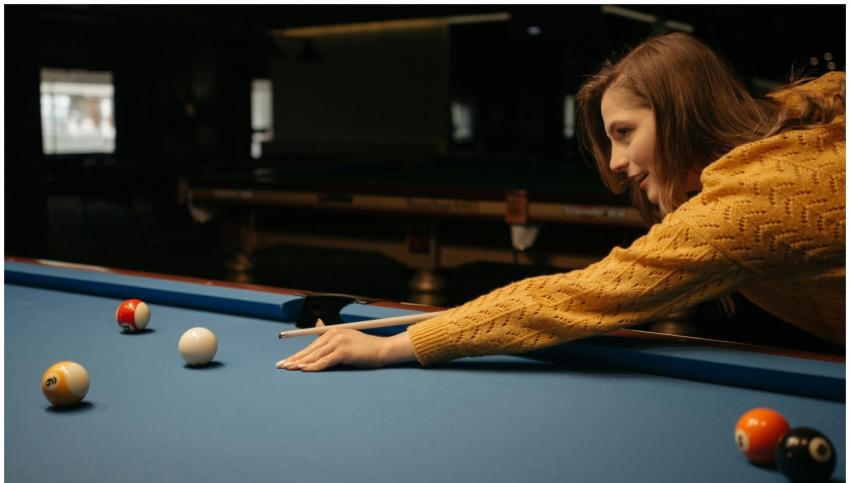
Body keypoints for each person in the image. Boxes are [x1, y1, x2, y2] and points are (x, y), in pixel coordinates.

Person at [276, 32, 845, 372]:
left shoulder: (743, 204)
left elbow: (581, 297)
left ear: (681, 113)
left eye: (624, 132)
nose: (617, 165)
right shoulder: (797, 124)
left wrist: (391, 348)